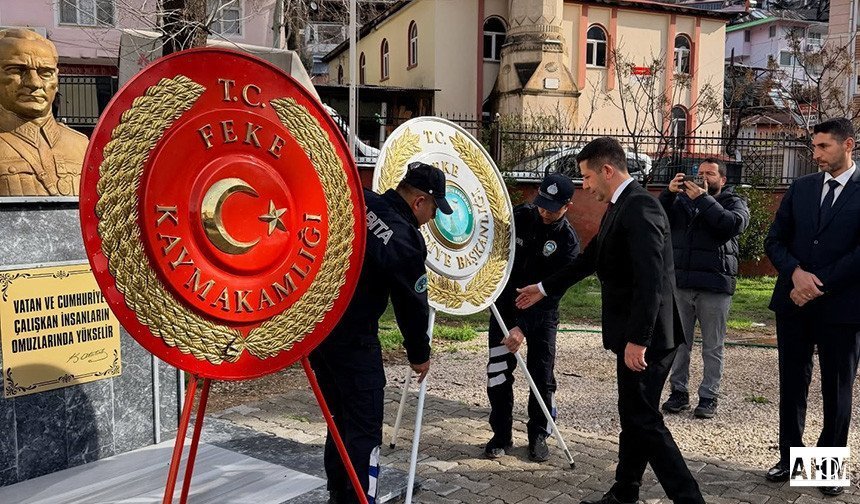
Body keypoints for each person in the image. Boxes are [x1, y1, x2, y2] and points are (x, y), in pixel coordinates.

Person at [516, 137, 704, 504]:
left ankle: (688, 498)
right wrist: (542, 286)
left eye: (586, 177)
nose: (583, 186)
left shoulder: (641, 208)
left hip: (650, 339)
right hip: (636, 335)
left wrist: (639, 338)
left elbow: (652, 281)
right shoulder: (620, 206)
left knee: (644, 419)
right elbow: (590, 259)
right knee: (634, 415)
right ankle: (625, 491)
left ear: (607, 170)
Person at [309, 161, 453, 504]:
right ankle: (361, 498)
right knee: (363, 430)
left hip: (321, 333)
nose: (432, 218)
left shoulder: (362, 199)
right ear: (419, 201)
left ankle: (337, 494)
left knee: (338, 421)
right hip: (356, 343)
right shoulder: (404, 238)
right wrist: (419, 354)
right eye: (434, 209)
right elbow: (412, 304)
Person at [763, 117, 860, 497]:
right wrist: (796, 274)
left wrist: (817, 283)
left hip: (842, 306)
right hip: (793, 302)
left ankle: (826, 469)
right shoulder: (801, 188)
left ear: (848, 144)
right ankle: (791, 459)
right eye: (814, 146)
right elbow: (775, 240)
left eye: (823, 147)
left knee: (837, 388)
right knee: (793, 382)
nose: (815, 154)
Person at [484, 173, 580, 462]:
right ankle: (501, 434)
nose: (544, 211)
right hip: (504, 307)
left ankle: (539, 434)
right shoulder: (521, 216)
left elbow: (552, 295)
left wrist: (522, 328)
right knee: (498, 371)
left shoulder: (568, 243)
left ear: (567, 206)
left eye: (553, 208)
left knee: (542, 375)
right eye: (542, 204)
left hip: (542, 314)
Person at [659, 160, 749, 419]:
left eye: (710, 174)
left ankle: (709, 396)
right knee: (679, 344)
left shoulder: (734, 202)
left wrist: (702, 199)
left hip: (715, 285)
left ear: (722, 180)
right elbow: (656, 218)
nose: (703, 178)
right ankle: (678, 392)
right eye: (698, 174)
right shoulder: (680, 202)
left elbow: (731, 225)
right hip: (682, 283)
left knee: (712, 346)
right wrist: (668, 193)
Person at [0, 28, 88, 196]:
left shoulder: (81, 145)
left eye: (45, 73)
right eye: (17, 70)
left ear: (56, 78)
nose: (35, 83)